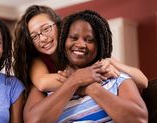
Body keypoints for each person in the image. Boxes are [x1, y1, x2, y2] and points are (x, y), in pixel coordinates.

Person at [24, 10, 148, 123]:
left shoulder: (114, 75)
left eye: (89, 40)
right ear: (63, 40)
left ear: (99, 46)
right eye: (73, 38)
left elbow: (139, 120)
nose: (81, 44)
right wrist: (75, 81)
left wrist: (92, 88)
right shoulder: (50, 81)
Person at [13, 5, 148, 96]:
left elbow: (143, 81)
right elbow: (43, 83)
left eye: (46, 29)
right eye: (34, 36)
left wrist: (112, 63)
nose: (42, 39)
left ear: (59, 26)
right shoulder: (38, 60)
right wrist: (87, 78)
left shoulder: (78, 50)